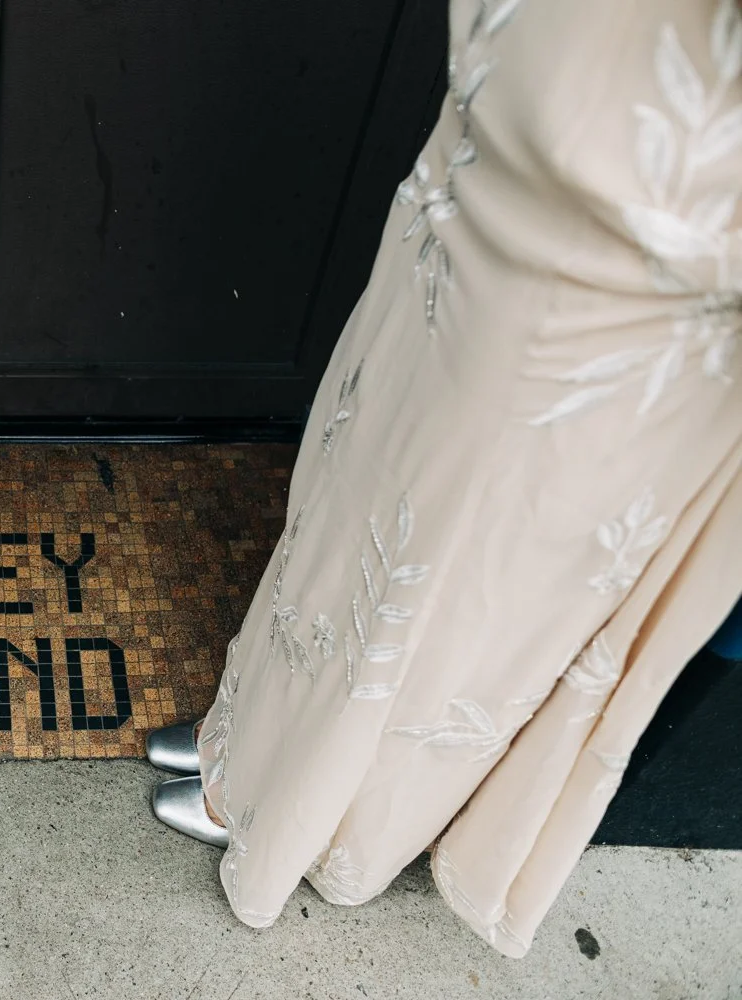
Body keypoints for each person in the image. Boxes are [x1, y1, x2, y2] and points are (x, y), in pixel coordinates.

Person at [147, 0, 742, 957]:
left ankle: (329, 814)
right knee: (372, 456)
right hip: (502, 148)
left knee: (467, 537)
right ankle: (255, 735)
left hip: (637, 236)